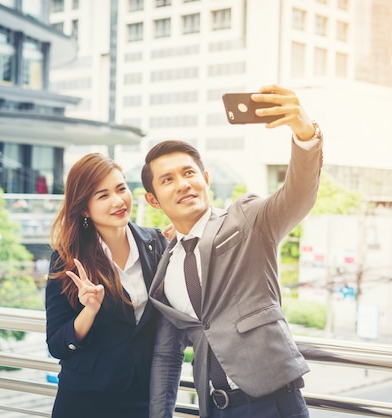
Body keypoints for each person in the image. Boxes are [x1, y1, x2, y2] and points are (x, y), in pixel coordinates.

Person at [141, 84, 323, 418]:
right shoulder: (166, 268)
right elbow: (167, 358)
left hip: (273, 401)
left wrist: (305, 134)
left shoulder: (247, 218)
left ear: (205, 179)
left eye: (189, 173)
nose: (182, 184)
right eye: (167, 180)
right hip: (215, 408)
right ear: (152, 199)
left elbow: (298, 195)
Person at [45, 153, 168, 418]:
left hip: (144, 397)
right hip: (86, 401)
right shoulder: (67, 259)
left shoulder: (156, 244)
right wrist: (88, 311)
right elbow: (56, 345)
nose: (118, 201)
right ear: (85, 209)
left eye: (121, 189)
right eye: (103, 195)